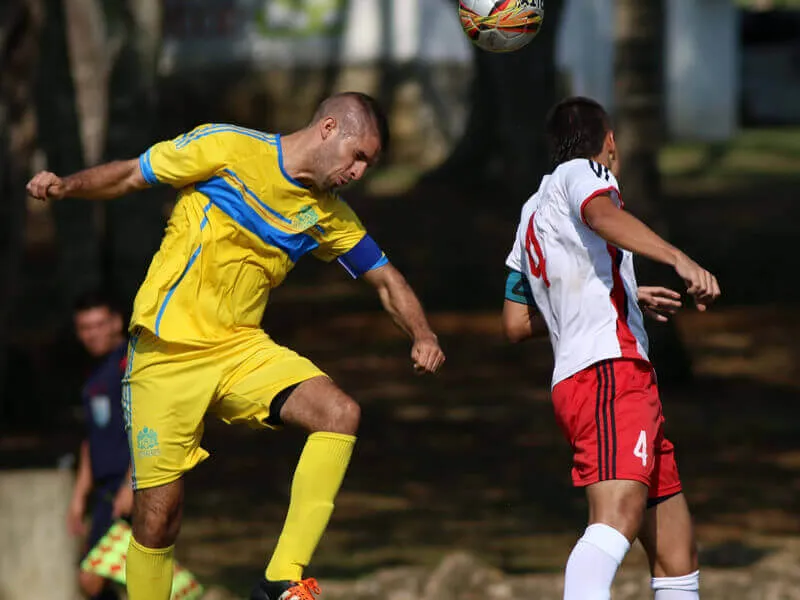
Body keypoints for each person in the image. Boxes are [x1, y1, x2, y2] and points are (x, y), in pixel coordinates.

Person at [28, 92, 446, 600]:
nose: (359, 172)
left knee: (339, 413)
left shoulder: (327, 215)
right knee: (159, 520)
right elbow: (132, 175)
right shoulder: (226, 147)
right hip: (165, 354)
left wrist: (422, 334)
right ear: (329, 127)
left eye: (370, 165)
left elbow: (386, 280)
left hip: (241, 351)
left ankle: (282, 580)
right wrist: (67, 186)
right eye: (358, 156)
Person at [501, 96, 720, 599]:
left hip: (591, 381)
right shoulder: (588, 172)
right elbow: (600, 215)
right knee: (616, 518)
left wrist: (621, 291)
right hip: (610, 376)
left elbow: (515, 322)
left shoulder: (531, 214)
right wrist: (679, 259)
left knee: (675, 548)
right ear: (611, 144)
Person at [68, 291, 132, 600]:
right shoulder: (92, 374)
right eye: (84, 327)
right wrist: (79, 497)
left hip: (133, 491)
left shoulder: (131, 364)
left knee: (92, 577)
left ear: (117, 322)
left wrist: (132, 485)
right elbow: (89, 441)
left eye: (99, 324)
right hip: (104, 494)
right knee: (99, 579)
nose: (92, 334)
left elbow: (148, 430)